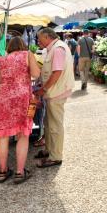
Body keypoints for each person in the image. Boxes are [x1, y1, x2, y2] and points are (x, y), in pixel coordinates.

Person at [0, 37, 41, 183]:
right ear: (23, 45)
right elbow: (36, 74)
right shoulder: (27, 54)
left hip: (3, 98)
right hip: (21, 97)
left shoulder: (3, 59)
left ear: (9, 47)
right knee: (23, 135)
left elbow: (2, 79)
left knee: (2, 136)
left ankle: (3, 172)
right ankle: (19, 172)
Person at [34, 27, 76, 168]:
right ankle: (49, 150)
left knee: (55, 125)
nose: (38, 41)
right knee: (48, 123)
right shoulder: (55, 48)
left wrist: (43, 88)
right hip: (54, 92)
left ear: (47, 37)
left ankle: (56, 156)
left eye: (40, 38)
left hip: (56, 92)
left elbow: (56, 73)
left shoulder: (58, 49)